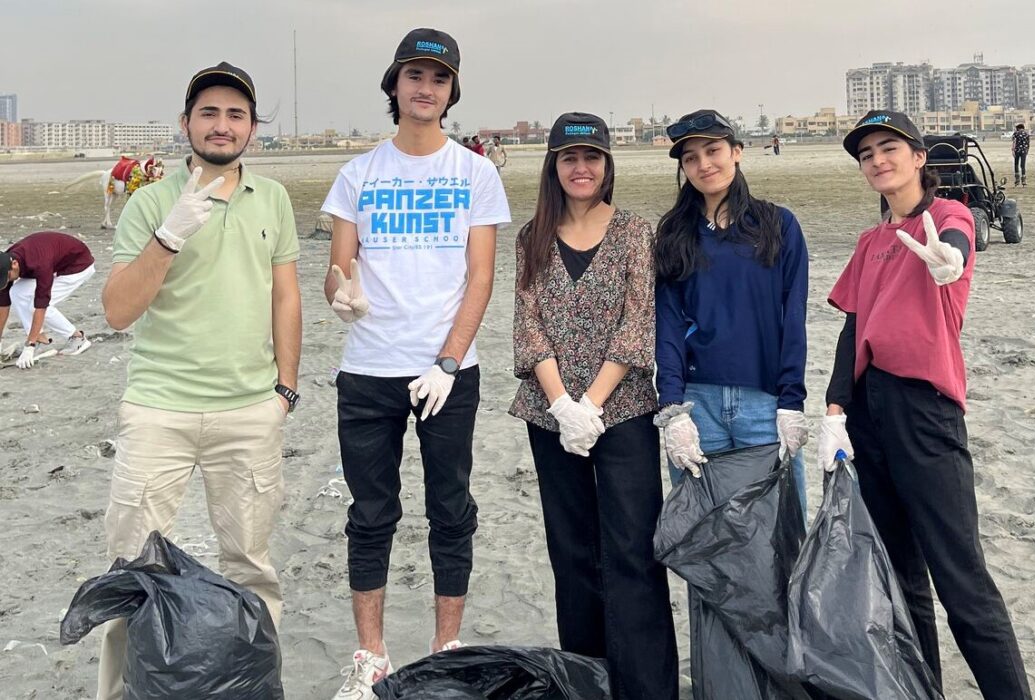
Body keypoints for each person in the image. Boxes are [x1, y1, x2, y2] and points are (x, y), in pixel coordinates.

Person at [97, 61, 301, 700]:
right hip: (159, 408)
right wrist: (167, 236)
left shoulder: (272, 198)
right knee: (133, 569)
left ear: (252, 128)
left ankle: (255, 686)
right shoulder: (151, 202)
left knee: (251, 566)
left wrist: (284, 389)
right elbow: (117, 310)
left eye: (236, 114)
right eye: (208, 113)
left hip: (248, 411)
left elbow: (286, 297)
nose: (222, 125)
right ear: (185, 124)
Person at [321, 27, 510, 700]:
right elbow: (336, 268)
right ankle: (370, 655)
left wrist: (449, 361)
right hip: (369, 368)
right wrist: (341, 292)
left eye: (438, 79)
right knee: (371, 513)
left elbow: (481, 277)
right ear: (394, 87)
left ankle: (447, 646)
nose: (424, 89)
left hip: (446, 372)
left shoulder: (474, 172)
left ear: (451, 91)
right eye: (413, 77)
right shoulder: (359, 173)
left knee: (450, 506)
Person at [819, 110, 1031, 699]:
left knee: (962, 581)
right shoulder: (870, 242)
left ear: (918, 158)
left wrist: (953, 260)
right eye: (867, 155)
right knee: (902, 581)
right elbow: (852, 329)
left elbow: (958, 244)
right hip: (869, 412)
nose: (878, 160)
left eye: (890, 148)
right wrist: (835, 410)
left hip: (925, 412)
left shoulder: (946, 215)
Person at [509, 112, 678, 700]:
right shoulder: (531, 236)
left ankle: (646, 686)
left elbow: (638, 327)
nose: (581, 169)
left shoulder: (635, 231)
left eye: (592, 158)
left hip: (624, 409)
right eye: (569, 158)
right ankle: (585, 678)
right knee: (573, 550)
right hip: (550, 416)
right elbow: (527, 327)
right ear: (553, 167)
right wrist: (562, 406)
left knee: (632, 549)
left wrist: (592, 404)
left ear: (607, 166)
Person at [654, 109, 810, 514]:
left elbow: (793, 316)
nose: (704, 164)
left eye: (713, 150)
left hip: (764, 402)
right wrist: (672, 409)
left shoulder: (778, 225)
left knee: (780, 538)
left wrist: (790, 401)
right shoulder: (674, 232)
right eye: (691, 158)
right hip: (697, 404)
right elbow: (668, 323)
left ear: (736, 152)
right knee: (705, 543)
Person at [0, 231, 96, 366]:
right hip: (56, 263)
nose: (6, 280)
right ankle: (40, 338)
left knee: (36, 305)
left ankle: (77, 338)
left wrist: (29, 346)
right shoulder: (6, 262)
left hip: (78, 265)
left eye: (7, 277)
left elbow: (41, 304)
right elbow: (3, 303)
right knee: (16, 292)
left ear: (15, 264)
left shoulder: (39, 264)